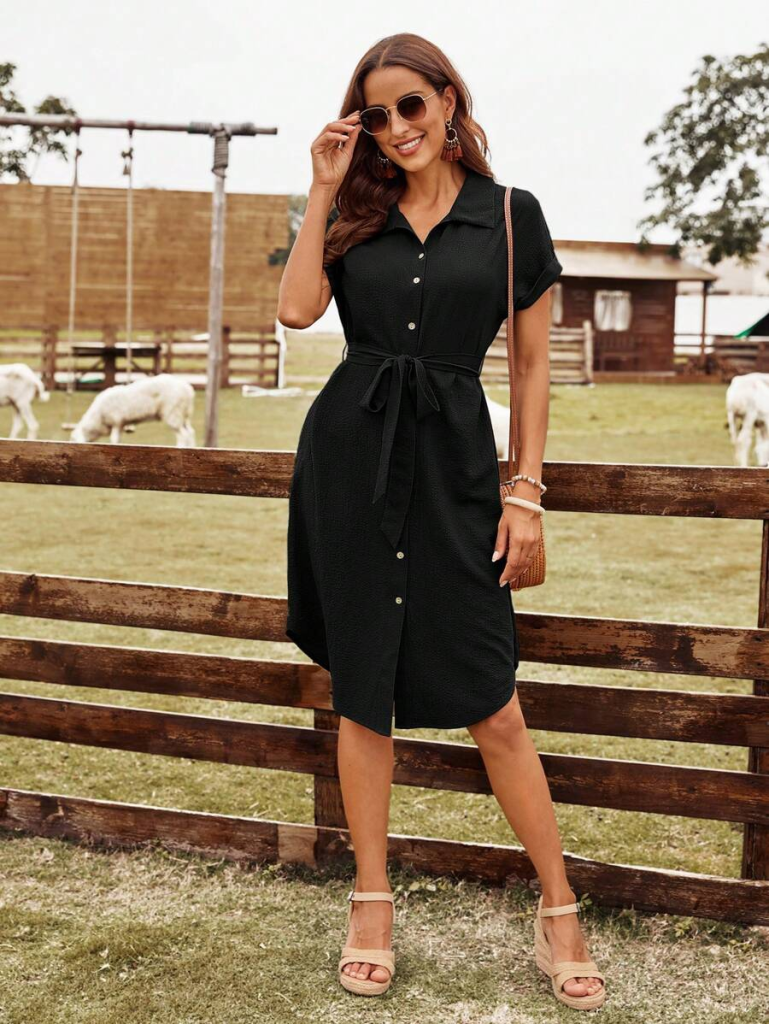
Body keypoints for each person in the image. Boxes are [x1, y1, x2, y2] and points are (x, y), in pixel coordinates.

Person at [278, 32, 606, 1012]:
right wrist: (322, 186)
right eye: (376, 114)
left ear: (448, 101)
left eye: (410, 105)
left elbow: (533, 367)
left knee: (492, 700)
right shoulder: (356, 212)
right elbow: (295, 310)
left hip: (459, 472)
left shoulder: (509, 215)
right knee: (361, 696)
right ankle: (370, 905)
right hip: (351, 464)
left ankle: (559, 910)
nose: (396, 127)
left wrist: (526, 491)